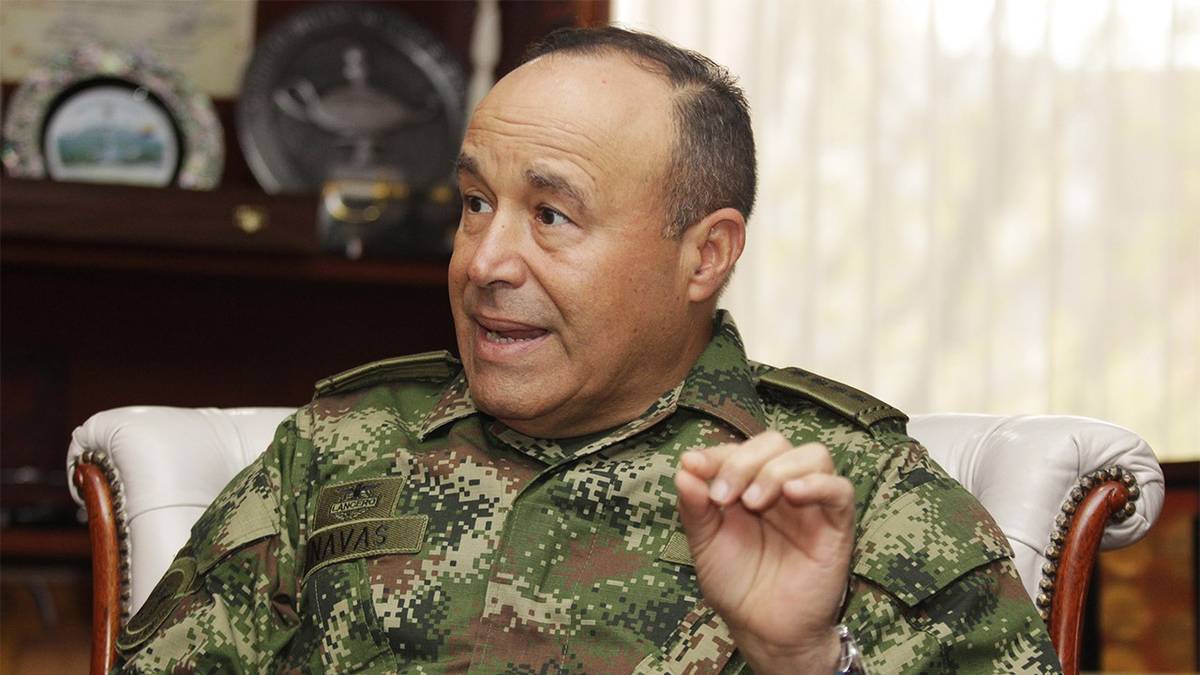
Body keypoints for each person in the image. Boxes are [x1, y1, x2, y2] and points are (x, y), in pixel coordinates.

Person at [114, 27, 1060, 674]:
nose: (485, 262)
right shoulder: (336, 447)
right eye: (475, 203)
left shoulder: (856, 492)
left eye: (552, 215)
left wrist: (803, 661)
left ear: (705, 255)